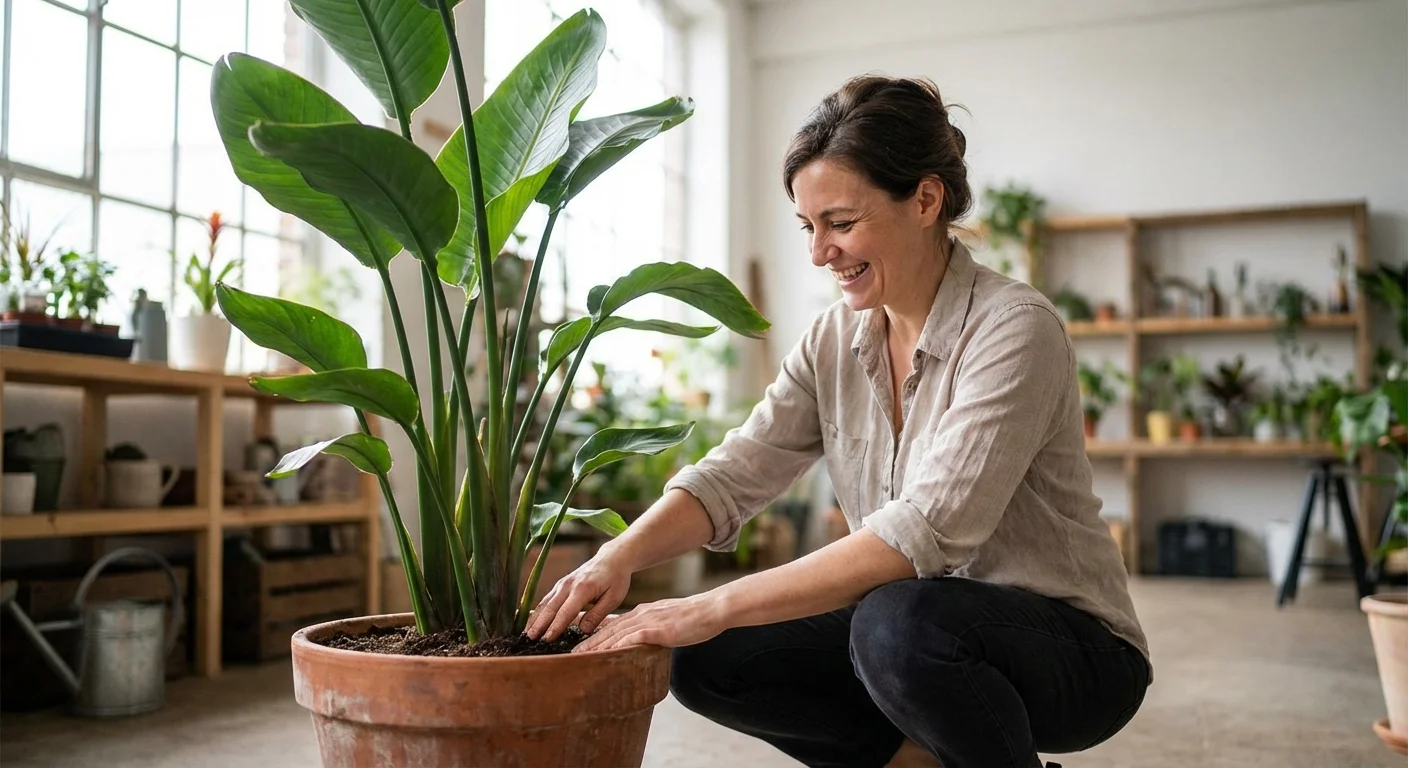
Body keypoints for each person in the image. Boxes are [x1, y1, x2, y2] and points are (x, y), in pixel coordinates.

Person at [526, 74, 1151, 768]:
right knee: (705, 659)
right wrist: (618, 556)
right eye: (809, 226)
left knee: (895, 625)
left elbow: (922, 534)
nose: (819, 253)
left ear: (924, 200)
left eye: (841, 223)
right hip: (916, 636)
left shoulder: (1014, 329)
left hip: (1073, 652)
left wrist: (712, 602)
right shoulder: (833, 340)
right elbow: (737, 471)